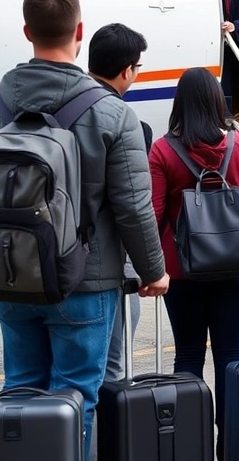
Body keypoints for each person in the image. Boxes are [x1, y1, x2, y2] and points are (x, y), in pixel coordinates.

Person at [0, 0, 169, 461]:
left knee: (20, 395)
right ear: (80, 32)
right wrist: (154, 271)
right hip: (84, 286)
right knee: (77, 403)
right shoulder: (113, 113)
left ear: (26, 32)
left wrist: (4, 255)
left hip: (11, 281)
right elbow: (133, 207)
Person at [148, 67, 239, 457]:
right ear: (218, 101)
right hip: (234, 265)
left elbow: (155, 211)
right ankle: (230, 443)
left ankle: (189, 444)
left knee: (188, 354)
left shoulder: (164, 150)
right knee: (230, 355)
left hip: (182, 269)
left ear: (179, 102)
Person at [87, 22, 151, 383]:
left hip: (41, 266)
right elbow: (134, 207)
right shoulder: (125, 121)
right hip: (104, 272)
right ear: (127, 70)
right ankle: (102, 441)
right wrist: (151, 269)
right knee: (109, 372)